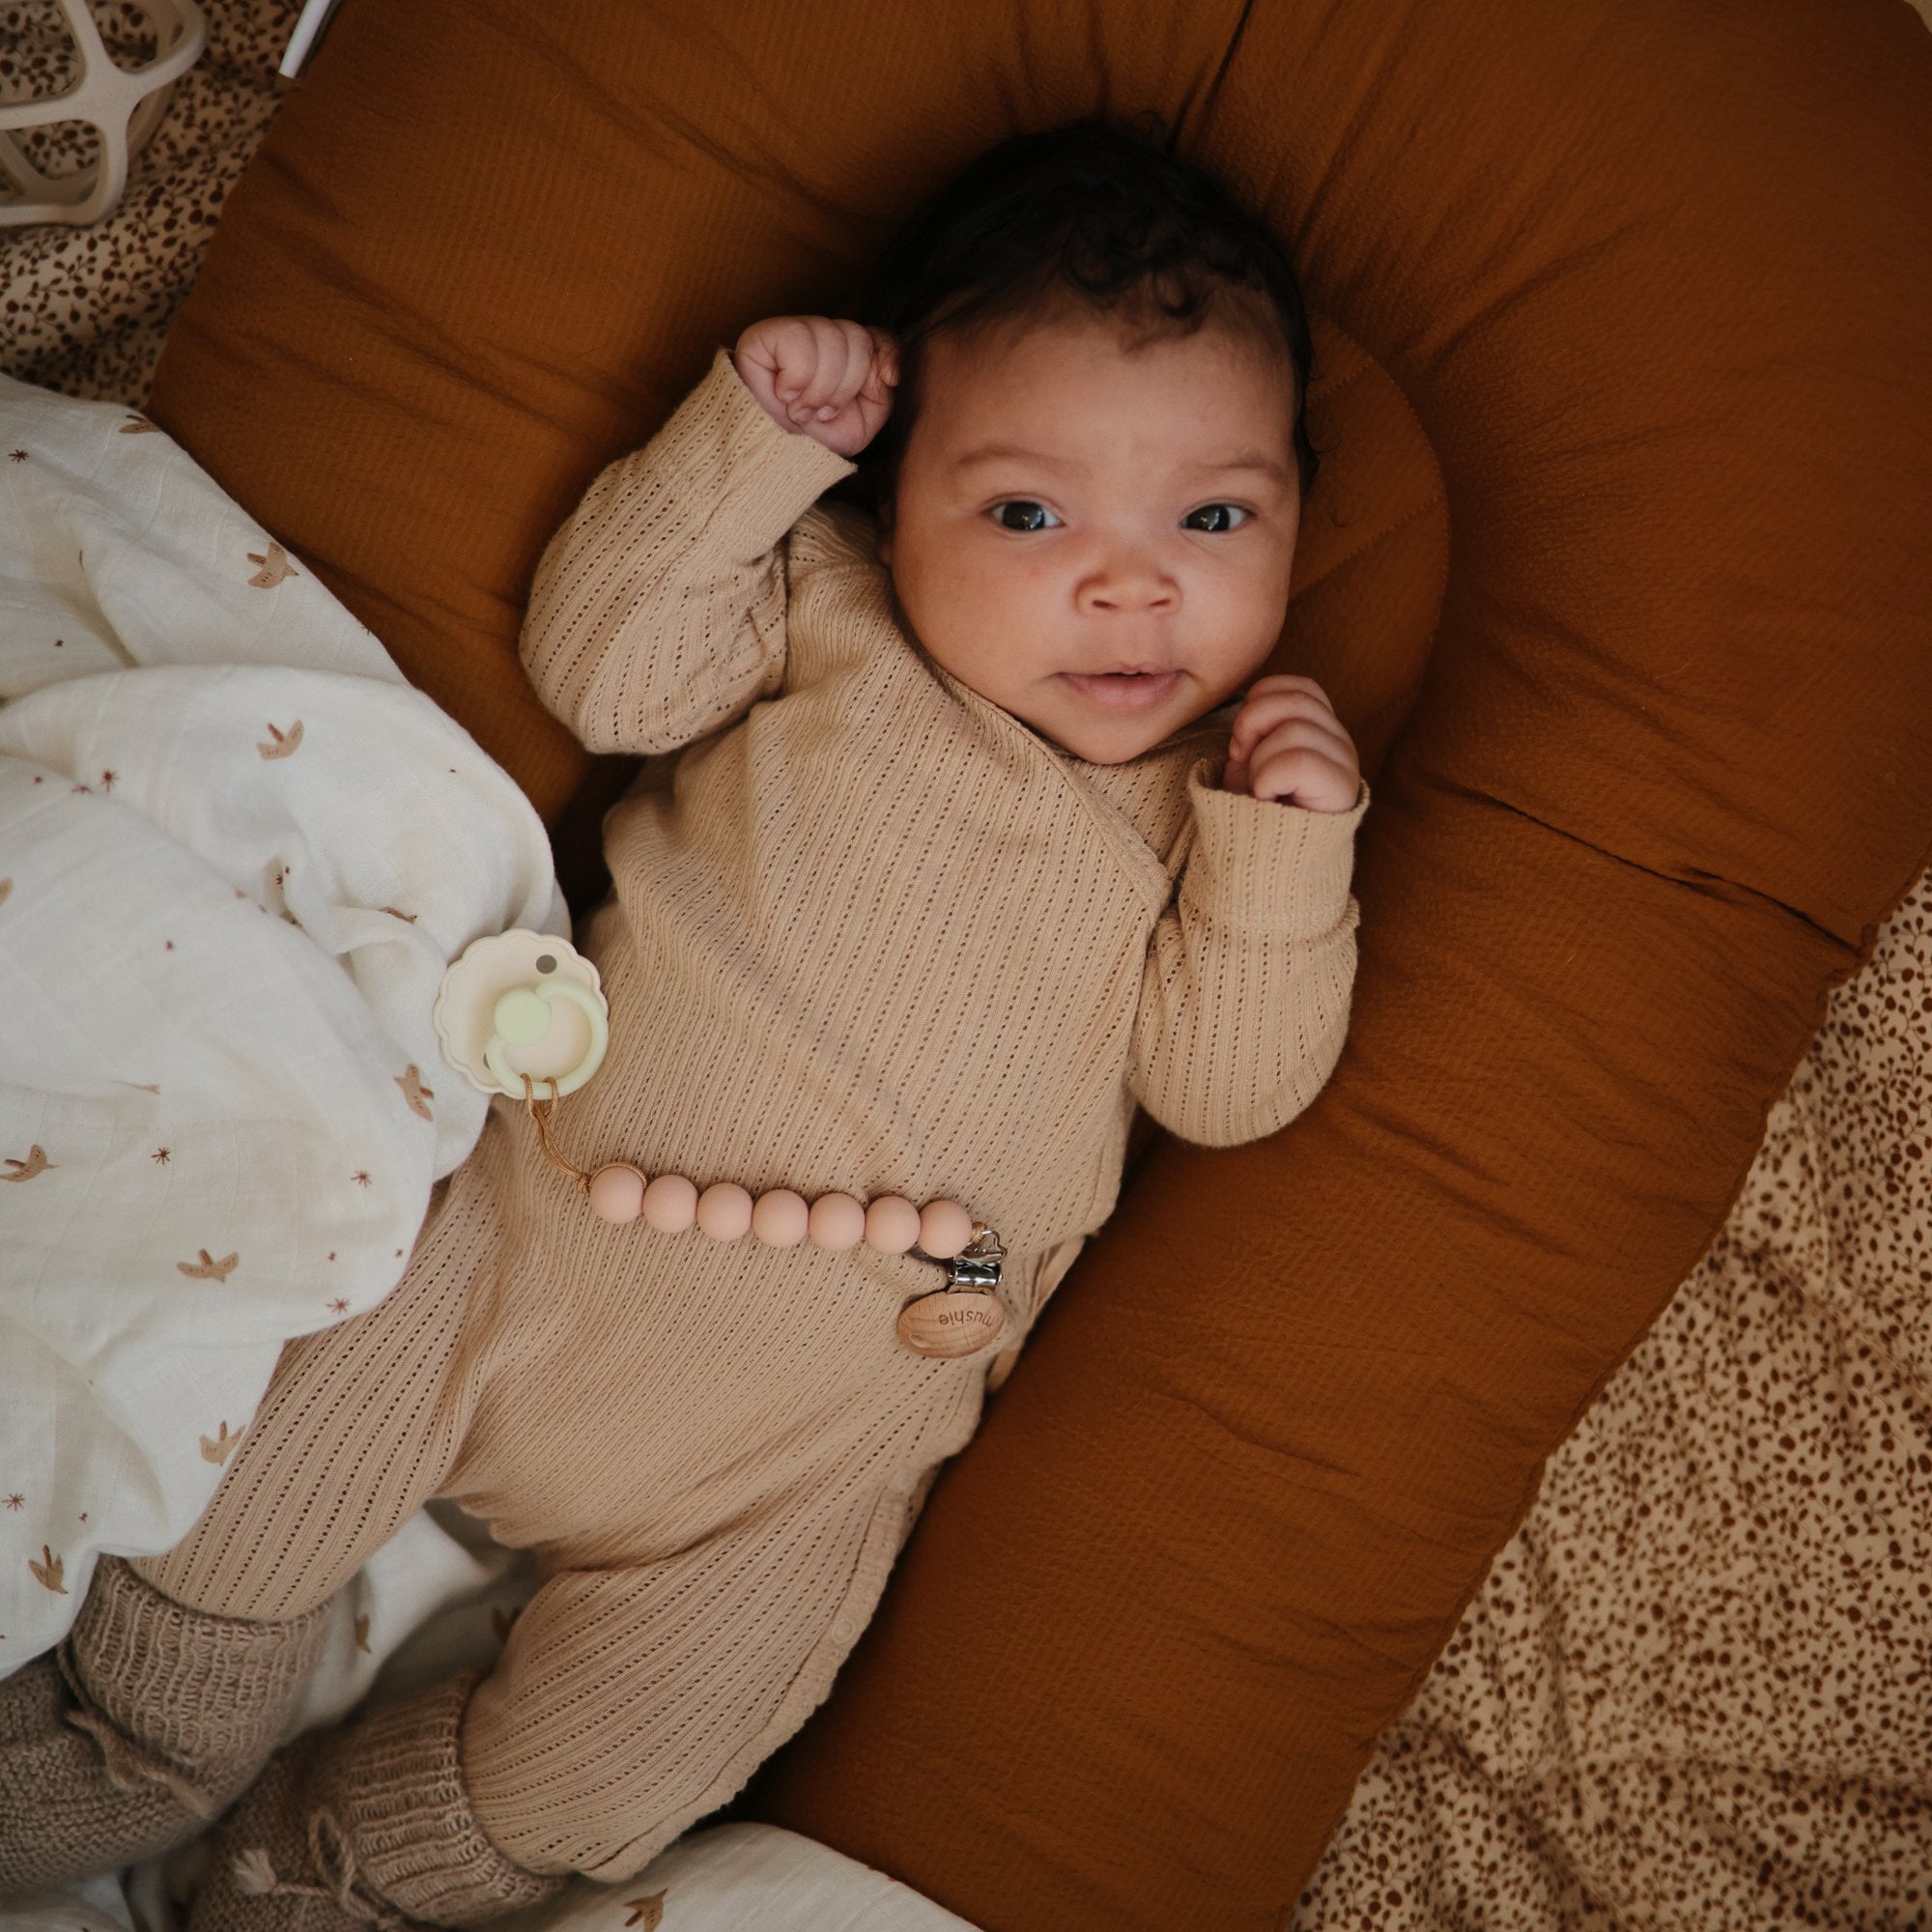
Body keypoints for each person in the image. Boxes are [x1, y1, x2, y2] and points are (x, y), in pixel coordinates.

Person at [0, 114, 1367, 1927]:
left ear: (1296, 516)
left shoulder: (1214, 818)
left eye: (1216, 516)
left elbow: (1229, 1084)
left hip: (797, 1456)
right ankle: (128, 1746)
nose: (1133, 583)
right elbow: (606, 663)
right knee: (248, 1507)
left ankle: (331, 1877)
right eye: (1030, 514)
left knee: (635, 1756)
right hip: (520, 1250)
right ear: (897, 495)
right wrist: (752, 452)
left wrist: (1289, 863)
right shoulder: (833, 618)